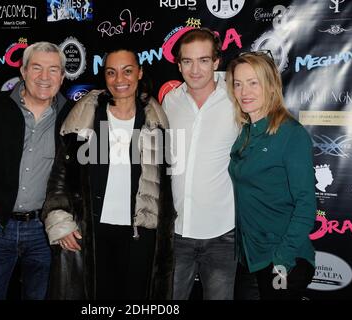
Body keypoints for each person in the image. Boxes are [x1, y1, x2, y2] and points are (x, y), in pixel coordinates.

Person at [42, 48, 176, 300]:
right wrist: (60, 221)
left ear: (139, 73)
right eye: (111, 72)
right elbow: (61, 174)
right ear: (104, 76)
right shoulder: (84, 115)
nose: (119, 80)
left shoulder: (155, 119)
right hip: (91, 232)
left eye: (127, 71)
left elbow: (164, 186)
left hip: (139, 236)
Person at [0, 41, 72, 300]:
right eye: (37, 68)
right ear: (23, 71)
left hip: (45, 231)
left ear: (62, 77)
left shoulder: (72, 115)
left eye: (53, 70)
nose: (44, 77)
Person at [226, 51, 316, 300]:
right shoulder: (245, 132)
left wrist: (283, 260)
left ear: (271, 85)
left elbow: (306, 204)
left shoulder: (291, 134)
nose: (245, 92)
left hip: (282, 260)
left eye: (253, 83)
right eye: (238, 84)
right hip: (249, 258)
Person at [161, 28, 239, 300]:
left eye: (203, 60)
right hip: (177, 232)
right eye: (187, 61)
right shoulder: (170, 101)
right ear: (179, 64)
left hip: (222, 234)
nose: (195, 70)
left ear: (216, 62)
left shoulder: (237, 99)